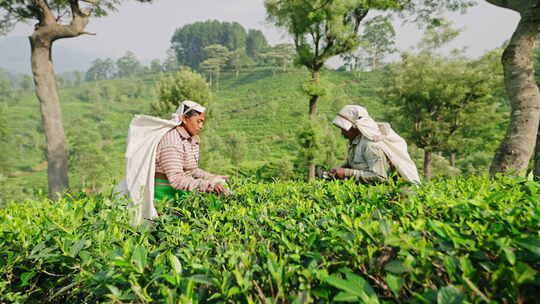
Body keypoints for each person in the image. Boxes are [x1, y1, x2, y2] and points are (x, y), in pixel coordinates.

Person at [117, 100, 228, 226]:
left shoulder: (188, 140)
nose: (201, 126)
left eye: (202, 122)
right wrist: (208, 186)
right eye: (198, 121)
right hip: (164, 195)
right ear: (185, 119)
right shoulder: (172, 142)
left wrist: (212, 177)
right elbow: (175, 179)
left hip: (177, 194)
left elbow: (191, 169)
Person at [328, 105, 420, 184]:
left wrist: (346, 173)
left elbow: (380, 176)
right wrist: (337, 170)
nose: (342, 133)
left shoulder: (371, 146)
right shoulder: (356, 142)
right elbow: (351, 162)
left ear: (355, 127)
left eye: (344, 129)